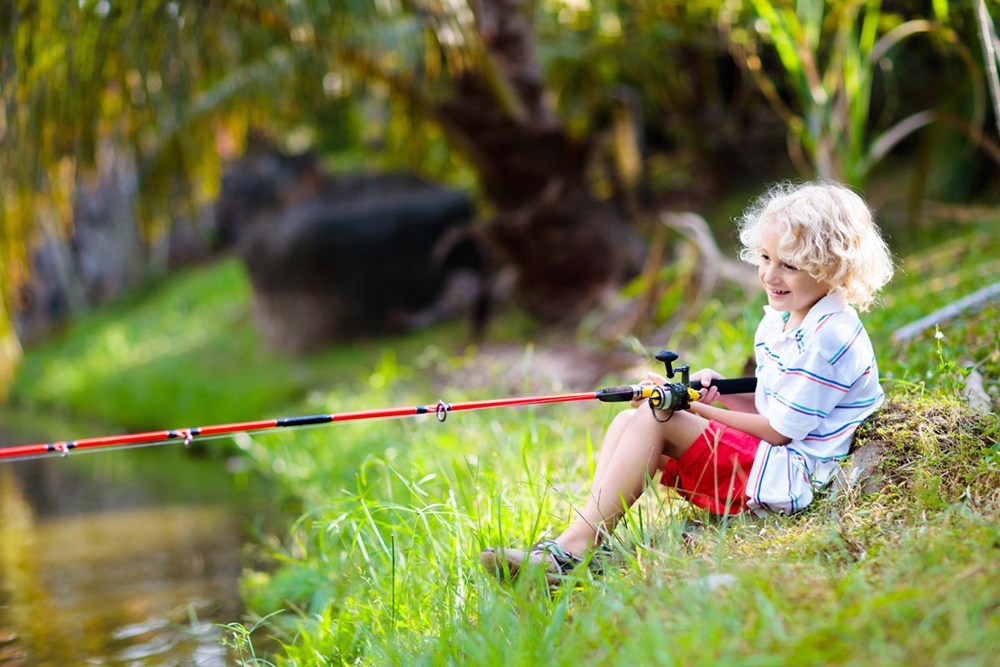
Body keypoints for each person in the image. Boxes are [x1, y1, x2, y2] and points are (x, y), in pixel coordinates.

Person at [480, 180, 895, 583]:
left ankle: (571, 552)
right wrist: (716, 398)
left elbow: (780, 433)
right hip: (775, 458)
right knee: (630, 421)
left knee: (659, 417)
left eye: (789, 266)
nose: (770, 275)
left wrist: (690, 407)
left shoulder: (830, 335)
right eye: (765, 258)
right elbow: (775, 407)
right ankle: (589, 541)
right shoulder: (782, 319)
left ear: (832, 269)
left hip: (795, 478)